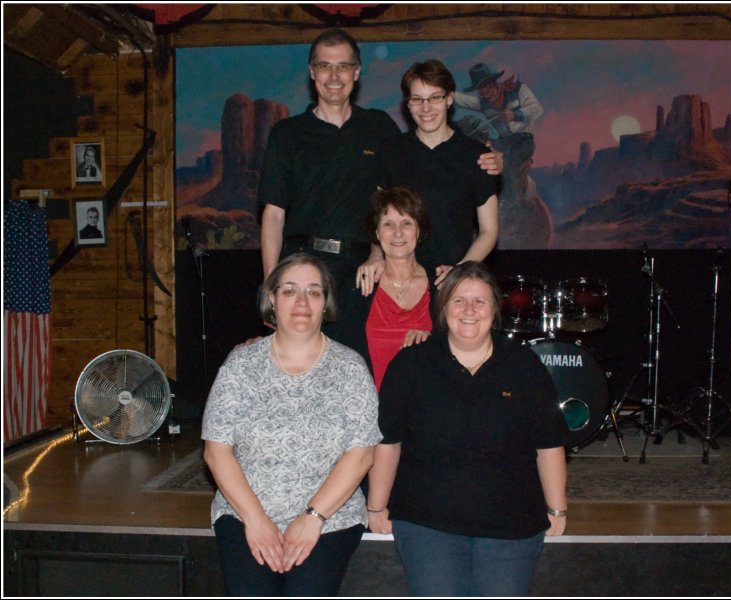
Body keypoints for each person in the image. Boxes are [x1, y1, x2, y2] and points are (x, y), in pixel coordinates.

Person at [258, 30, 500, 345]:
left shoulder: (379, 129)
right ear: (312, 72)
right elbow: (273, 216)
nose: (334, 75)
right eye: (325, 66)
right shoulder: (287, 133)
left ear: (356, 73)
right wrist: (270, 287)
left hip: (364, 273)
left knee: (361, 363)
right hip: (304, 263)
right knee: (298, 360)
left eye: (343, 66)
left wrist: (492, 160)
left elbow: (391, 200)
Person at [367, 261, 569, 596]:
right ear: (443, 308)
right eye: (459, 300)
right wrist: (376, 506)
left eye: (480, 301)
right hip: (427, 523)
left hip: (511, 526)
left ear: (495, 309)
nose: (469, 311)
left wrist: (557, 508)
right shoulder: (411, 365)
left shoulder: (523, 366)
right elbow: (388, 441)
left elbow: (548, 443)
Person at [202, 253, 382, 596]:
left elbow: (360, 455)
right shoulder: (241, 364)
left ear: (325, 302)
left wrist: (312, 518)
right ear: (272, 299)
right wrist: (255, 521)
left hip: (329, 518)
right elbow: (216, 451)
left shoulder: (350, 368)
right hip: (244, 513)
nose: (302, 302)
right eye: (290, 291)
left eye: (314, 292)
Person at [357, 59, 500, 294]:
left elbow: (489, 231)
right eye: (417, 99)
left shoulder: (477, 156)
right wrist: (375, 256)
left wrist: (459, 272)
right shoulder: (390, 152)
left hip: (455, 284)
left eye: (435, 97)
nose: (426, 108)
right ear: (407, 104)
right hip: (399, 282)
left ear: (449, 99)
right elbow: (377, 218)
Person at [346, 186, 436, 391]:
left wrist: (433, 343)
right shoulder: (358, 286)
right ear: (377, 233)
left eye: (406, 223)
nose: (397, 233)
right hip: (367, 410)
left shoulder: (441, 285)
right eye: (388, 224)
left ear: (419, 231)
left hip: (422, 413)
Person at [453, 62, 543, 140]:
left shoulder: (518, 90)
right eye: (480, 89)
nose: (485, 93)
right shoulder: (482, 103)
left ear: (494, 82)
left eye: (487, 87)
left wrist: (515, 115)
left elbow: (537, 109)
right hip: (504, 144)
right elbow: (459, 99)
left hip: (525, 139)